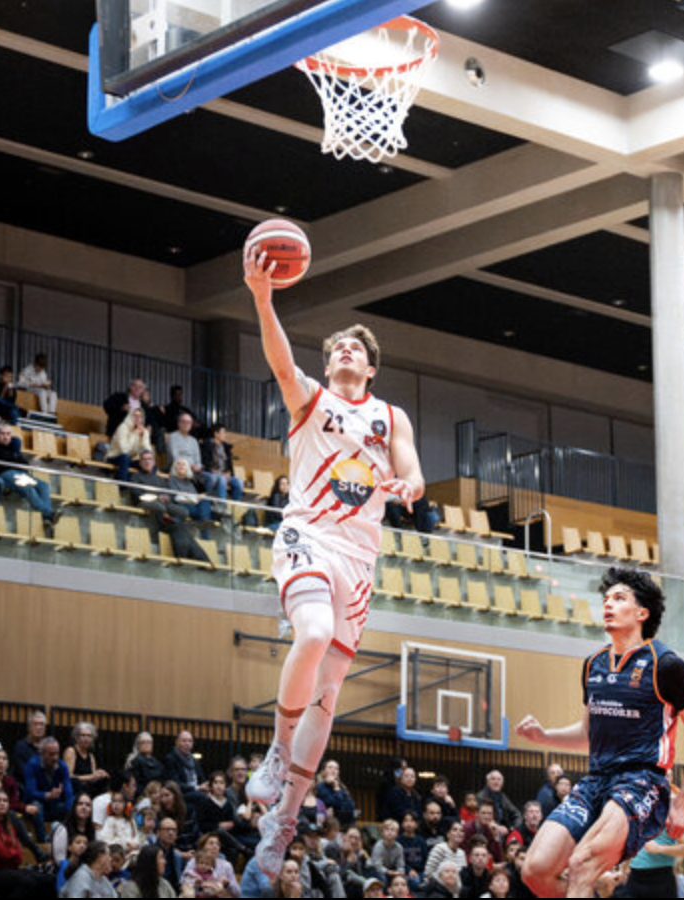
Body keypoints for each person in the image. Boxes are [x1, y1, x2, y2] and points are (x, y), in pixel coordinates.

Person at [244, 252, 425, 879]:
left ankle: (285, 819)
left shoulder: (390, 415)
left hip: (360, 557)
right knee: (312, 633)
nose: (345, 350)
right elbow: (278, 359)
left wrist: (410, 487)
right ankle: (273, 751)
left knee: (326, 701)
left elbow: (413, 470)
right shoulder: (311, 400)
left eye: (355, 347)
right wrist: (264, 298)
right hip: (308, 535)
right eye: (337, 347)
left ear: (370, 366)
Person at [516, 567, 684, 898]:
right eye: (605, 598)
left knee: (581, 863)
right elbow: (587, 734)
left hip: (642, 782)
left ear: (641, 612)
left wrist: (682, 803)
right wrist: (544, 736)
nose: (608, 604)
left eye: (619, 598)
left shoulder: (666, 666)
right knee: (534, 871)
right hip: (597, 780)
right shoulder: (593, 664)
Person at [0, 788, 56, 898]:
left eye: (5, 801)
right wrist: (12, 853)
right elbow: (3, 853)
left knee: (47, 880)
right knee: (27, 882)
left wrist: (12, 853)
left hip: (3, 871)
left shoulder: (8, 826)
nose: (2, 803)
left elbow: (18, 856)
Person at [0, 423, 58, 530]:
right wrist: (13, 458)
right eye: (2, 434)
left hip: (19, 473)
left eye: (8, 434)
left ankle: (47, 518)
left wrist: (13, 458)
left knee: (43, 485)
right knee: (28, 488)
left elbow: (25, 464)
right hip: (5, 473)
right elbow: (4, 460)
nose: (5, 437)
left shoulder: (13, 448)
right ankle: (49, 513)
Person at [26, 737, 74, 825]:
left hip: (55, 805)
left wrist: (70, 809)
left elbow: (69, 792)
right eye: (51, 754)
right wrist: (47, 795)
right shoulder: (32, 765)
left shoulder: (62, 766)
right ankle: (42, 838)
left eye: (57, 754)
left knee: (72, 805)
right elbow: (30, 792)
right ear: (42, 754)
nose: (55, 758)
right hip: (38, 803)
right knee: (36, 807)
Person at [200, 423, 245, 512]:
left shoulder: (225, 447)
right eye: (223, 432)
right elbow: (205, 463)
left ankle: (235, 509)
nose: (225, 435)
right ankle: (222, 507)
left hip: (224, 474)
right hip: (211, 473)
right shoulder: (207, 445)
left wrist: (229, 473)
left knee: (239, 482)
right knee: (222, 479)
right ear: (216, 434)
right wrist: (220, 473)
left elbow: (229, 465)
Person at [180, 833, 240, 897]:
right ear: (202, 847)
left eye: (217, 844)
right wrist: (194, 881)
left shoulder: (226, 865)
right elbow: (182, 882)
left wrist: (228, 884)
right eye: (211, 843)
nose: (215, 846)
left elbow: (237, 893)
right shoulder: (194, 862)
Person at [65, 722, 110, 800]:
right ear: (77, 737)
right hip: (74, 791)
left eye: (89, 736)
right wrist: (90, 777)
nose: (86, 738)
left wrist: (100, 774)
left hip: (88, 791)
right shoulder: (71, 751)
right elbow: (68, 777)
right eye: (83, 735)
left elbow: (93, 778)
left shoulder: (91, 756)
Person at [108, 406, 151, 483]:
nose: (138, 419)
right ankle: (122, 486)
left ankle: (145, 487)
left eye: (140, 416)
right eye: (135, 416)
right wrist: (134, 434)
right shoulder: (123, 428)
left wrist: (143, 437)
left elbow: (148, 452)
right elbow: (124, 450)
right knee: (125, 458)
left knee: (148, 461)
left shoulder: (144, 431)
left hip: (130, 459)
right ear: (130, 416)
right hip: (114, 457)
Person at [316, 759, 356, 828]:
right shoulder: (319, 787)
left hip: (343, 825)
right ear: (323, 772)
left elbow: (350, 808)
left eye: (336, 768)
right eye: (330, 767)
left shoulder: (342, 788)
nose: (333, 770)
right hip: (325, 826)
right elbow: (330, 802)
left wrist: (336, 787)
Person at [13, 711, 49, 788]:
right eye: (35, 724)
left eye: (42, 724)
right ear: (29, 727)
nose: (39, 727)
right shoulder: (20, 747)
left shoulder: (49, 746)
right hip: (28, 787)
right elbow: (24, 773)